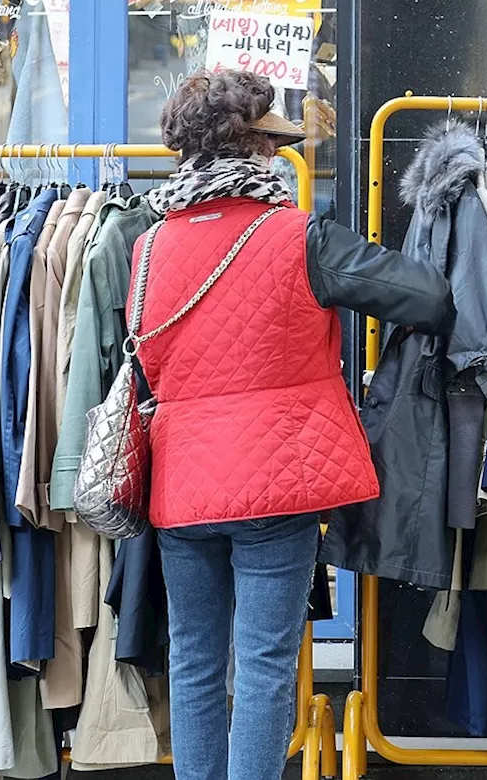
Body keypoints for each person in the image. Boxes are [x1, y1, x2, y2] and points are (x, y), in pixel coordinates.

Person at [139, 70, 454, 780]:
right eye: (271, 143)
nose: (280, 155)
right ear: (249, 146)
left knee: (193, 660)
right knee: (264, 664)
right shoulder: (295, 236)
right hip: (275, 481)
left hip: (180, 484)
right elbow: (425, 296)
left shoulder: (148, 243)